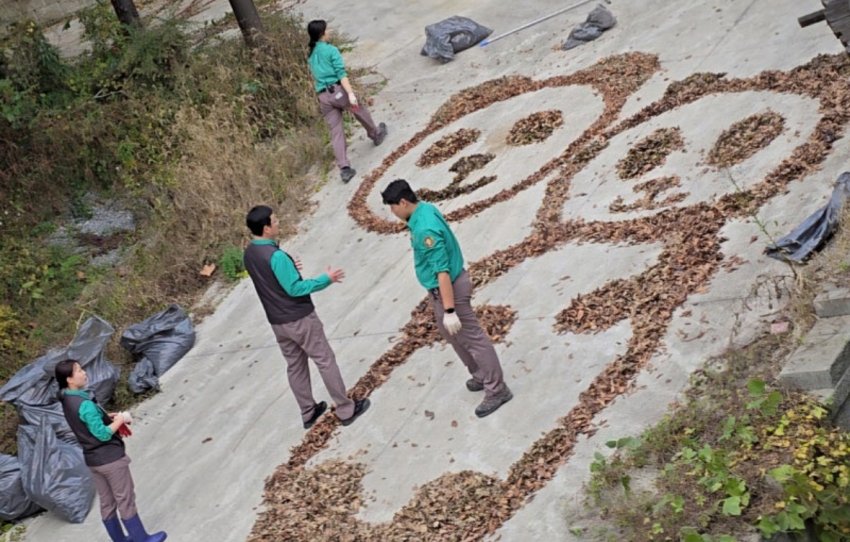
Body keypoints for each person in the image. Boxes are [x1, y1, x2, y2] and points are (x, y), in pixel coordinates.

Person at [380, 180, 513, 418]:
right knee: (450, 334)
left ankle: (497, 389)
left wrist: (450, 310)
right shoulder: (423, 210)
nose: (393, 213)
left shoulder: (424, 229)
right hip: (441, 291)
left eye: (392, 207)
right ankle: (480, 375)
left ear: (403, 202)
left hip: (449, 289)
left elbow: (442, 273)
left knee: (473, 338)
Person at [243, 205, 370, 428]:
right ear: (266, 228)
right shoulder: (276, 256)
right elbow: (295, 288)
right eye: (275, 220)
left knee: (295, 366)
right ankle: (345, 408)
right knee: (324, 359)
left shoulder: (250, 253)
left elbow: (269, 279)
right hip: (300, 319)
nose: (279, 221)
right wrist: (326, 279)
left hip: (278, 323)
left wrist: (289, 266)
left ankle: (308, 411)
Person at [55, 359, 167, 542]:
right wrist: (120, 419)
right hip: (110, 459)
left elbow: (85, 421)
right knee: (125, 499)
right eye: (78, 370)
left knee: (107, 503)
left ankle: (121, 540)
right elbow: (103, 434)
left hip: (93, 460)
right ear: (69, 379)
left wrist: (106, 416)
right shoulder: (84, 404)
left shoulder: (67, 399)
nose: (84, 372)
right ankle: (142, 539)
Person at [307, 19, 388, 183]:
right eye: (327, 29)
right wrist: (350, 93)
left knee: (336, 131)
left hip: (323, 96)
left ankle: (344, 168)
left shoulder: (311, 53)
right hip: (337, 90)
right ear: (322, 33)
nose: (330, 31)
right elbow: (341, 74)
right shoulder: (331, 50)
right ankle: (375, 133)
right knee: (359, 110)